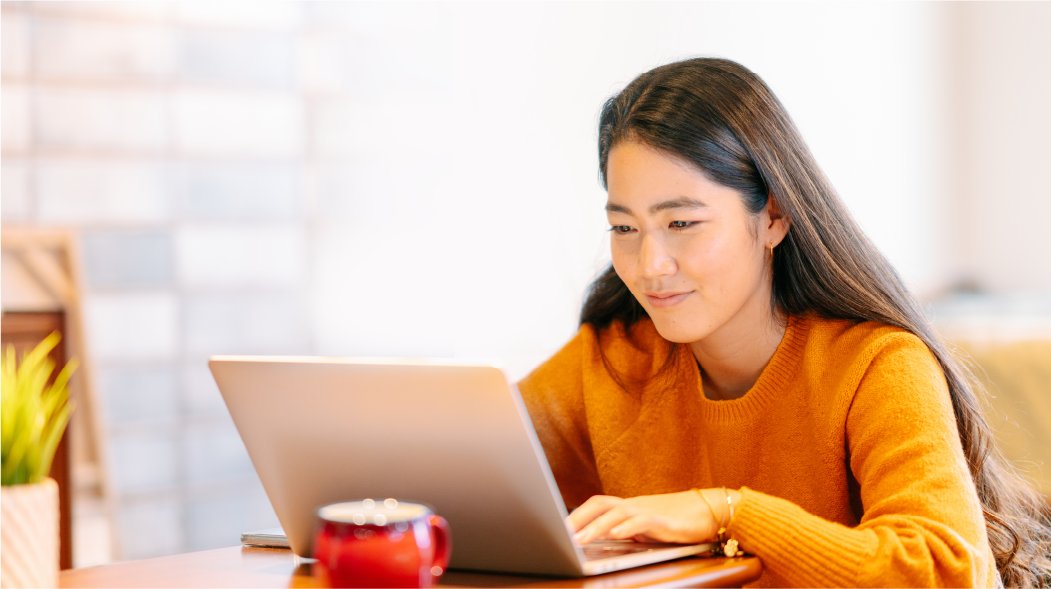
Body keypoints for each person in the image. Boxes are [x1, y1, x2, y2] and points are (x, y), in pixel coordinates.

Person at [518, 57, 1051, 587]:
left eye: (681, 222)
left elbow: (947, 571)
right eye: (624, 227)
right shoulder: (612, 359)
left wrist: (728, 513)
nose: (649, 264)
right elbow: (470, 468)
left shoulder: (877, 364)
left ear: (773, 216)